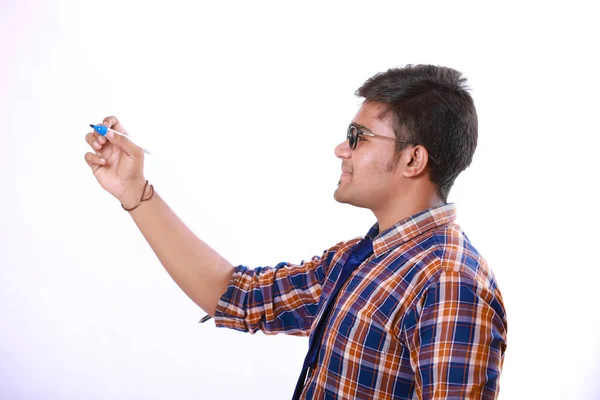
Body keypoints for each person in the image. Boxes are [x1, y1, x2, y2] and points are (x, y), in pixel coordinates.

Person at [84, 64, 507, 399]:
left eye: (357, 137)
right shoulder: (358, 259)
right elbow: (239, 296)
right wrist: (135, 192)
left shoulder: (450, 282)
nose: (341, 149)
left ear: (413, 160)